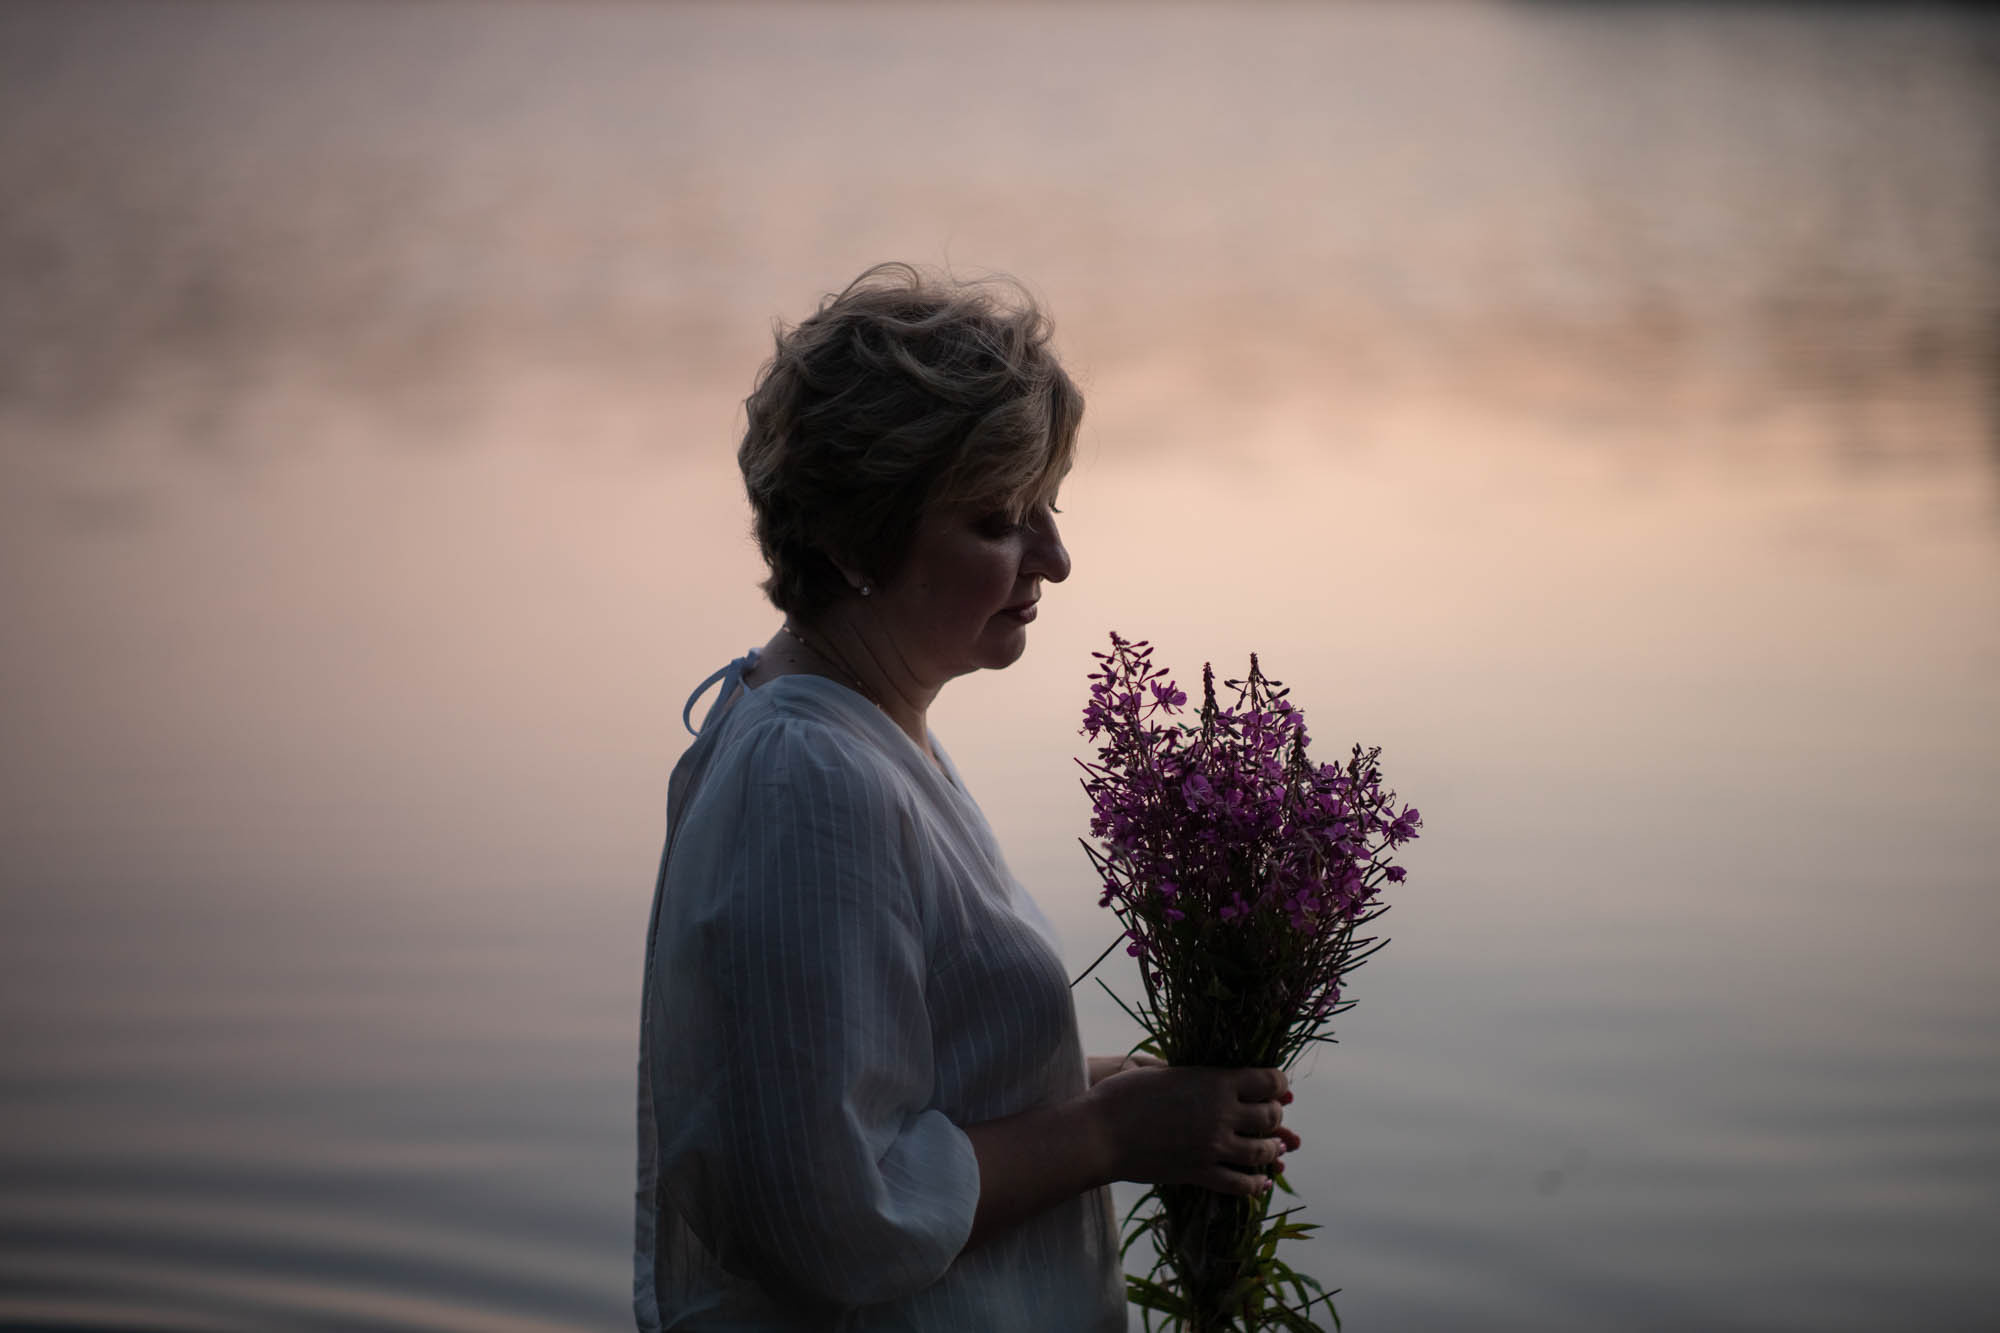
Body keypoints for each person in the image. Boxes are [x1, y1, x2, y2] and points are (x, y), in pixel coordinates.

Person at [635, 263, 1298, 1331]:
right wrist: (1109, 1138)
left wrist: (1101, 1088)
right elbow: (834, 1217)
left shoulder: (861, 726)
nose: (1057, 559)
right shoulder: (810, 783)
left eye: (1047, 508)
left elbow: (874, 1074)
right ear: (855, 540)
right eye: (997, 522)